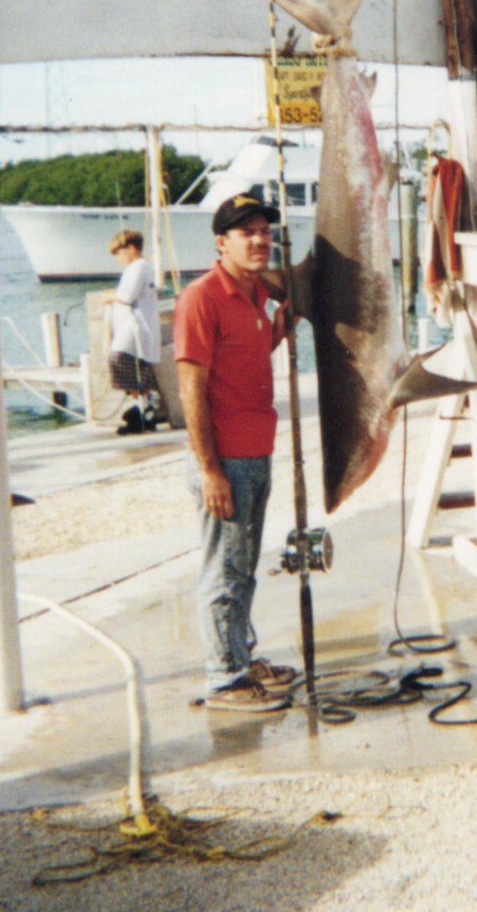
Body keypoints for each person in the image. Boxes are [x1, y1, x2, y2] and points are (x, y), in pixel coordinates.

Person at [173, 191, 296, 705]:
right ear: (221, 242)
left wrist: (276, 303)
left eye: (265, 231)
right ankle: (223, 678)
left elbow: (251, 356)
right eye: (246, 232)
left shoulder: (254, 298)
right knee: (223, 569)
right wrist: (210, 469)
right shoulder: (202, 297)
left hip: (257, 449)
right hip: (225, 459)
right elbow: (191, 387)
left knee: (242, 565)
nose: (260, 239)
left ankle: (240, 656)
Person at [105, 229, 162, 435]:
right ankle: (143, 409)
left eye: (119, 252)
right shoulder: (135, 268)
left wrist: (110, 297)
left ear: (130, 248)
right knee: (134, 366)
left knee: (121, 360)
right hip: (131, 326)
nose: (118, 258)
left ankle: (144, 408)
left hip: (136, 327)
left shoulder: (139, 266)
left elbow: (127, 296)